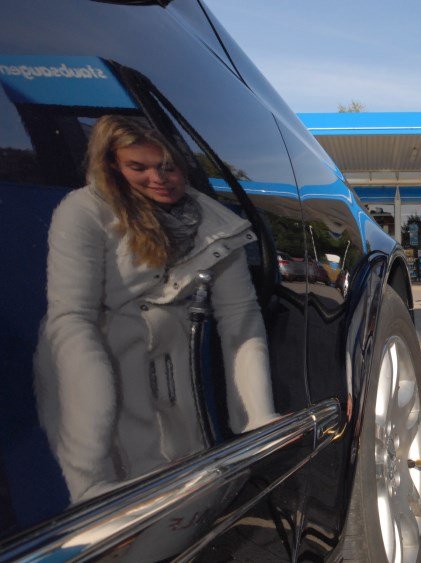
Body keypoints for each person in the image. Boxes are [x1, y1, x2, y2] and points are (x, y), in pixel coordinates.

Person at [34, 115, 276, 503]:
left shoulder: (216, 223)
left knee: (178, 495)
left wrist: (256, 418)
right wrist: (89, 470)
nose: (158, 178)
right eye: (138, 167)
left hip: (175, 370)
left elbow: (240, 319)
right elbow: (72, 320)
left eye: (168, 166)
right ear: (111, 164)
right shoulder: (82, 212)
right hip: (95, 367)